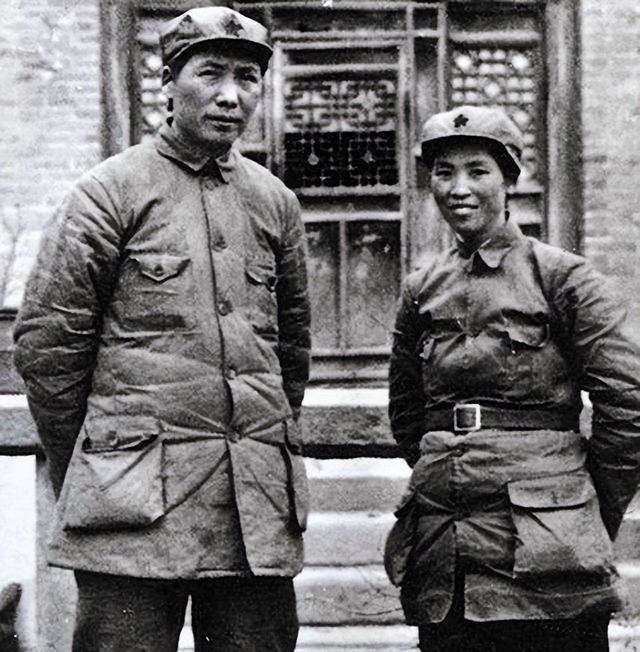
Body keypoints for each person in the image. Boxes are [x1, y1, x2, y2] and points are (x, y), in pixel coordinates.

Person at [13, 7, 311, 651]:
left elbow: (291, 353)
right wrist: (98, 465)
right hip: (131, 515)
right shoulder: (109, 193)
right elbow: (48, 350)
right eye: (211, 73)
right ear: (169, 81)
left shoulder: (275, 203)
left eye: (248, 77)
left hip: (251, 510)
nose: (231, 95)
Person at [384, 105, 640, 651]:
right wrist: (445, 471)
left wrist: (581, 504)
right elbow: (407, 414)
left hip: (549, 555)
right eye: (444, 172)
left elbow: (627, 400)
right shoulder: (421, 289)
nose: (459, 188)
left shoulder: (562, 277)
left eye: (477, 171)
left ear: (510, 180)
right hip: (446, 549)